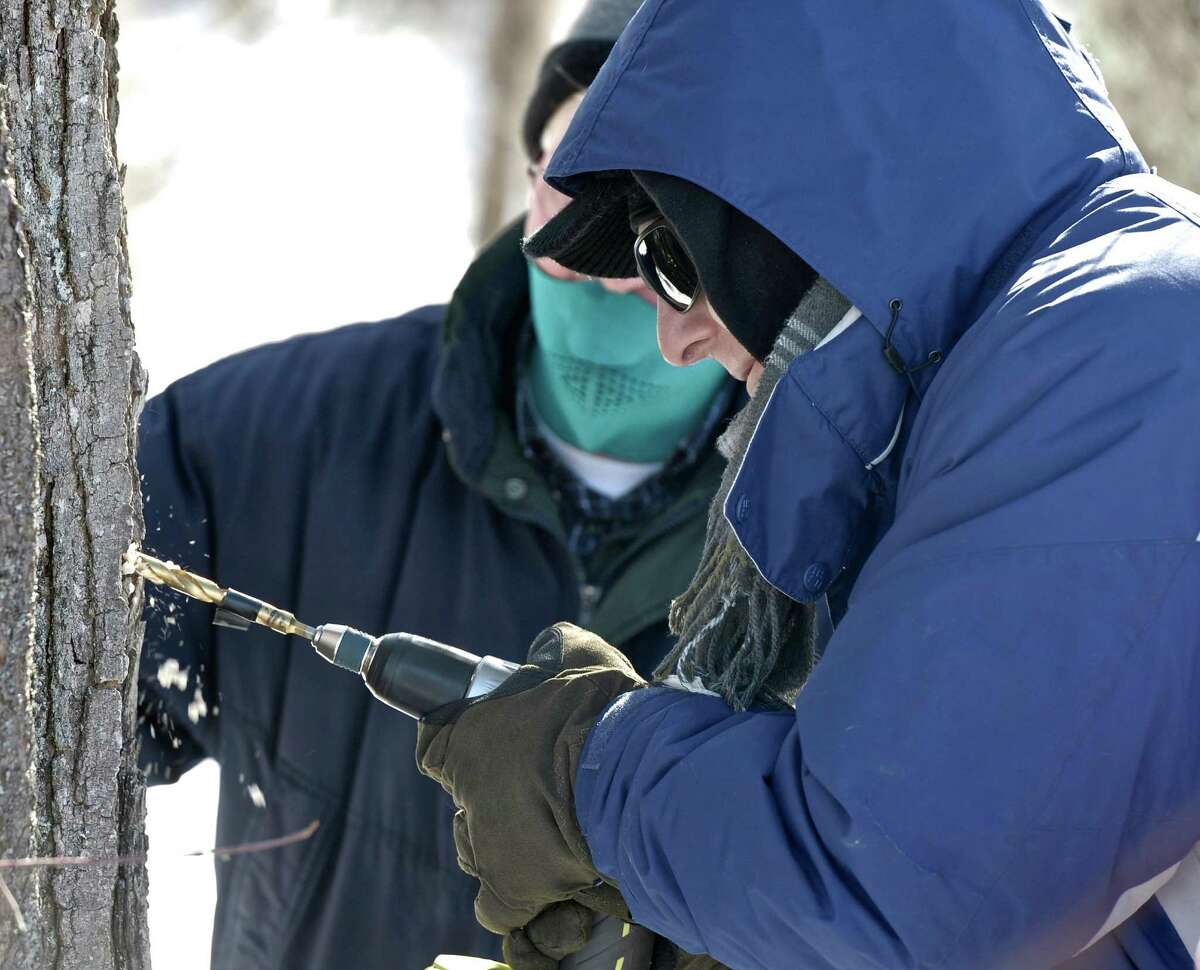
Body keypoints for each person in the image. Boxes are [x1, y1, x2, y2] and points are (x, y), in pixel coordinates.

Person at [415, 1, 1200, 968]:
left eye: (671, 259)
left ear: (809, 194)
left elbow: (892, 899)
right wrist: (712, 899)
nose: (676, 336)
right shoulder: (1018, 361)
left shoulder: (1123, 347)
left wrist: (588, 777)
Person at [135, 2, 737, 967]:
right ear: (530, 168)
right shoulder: (259, 445)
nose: (606, 256)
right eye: (579, 180)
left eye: (663, 208)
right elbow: (61, 710)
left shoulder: (852, 528)